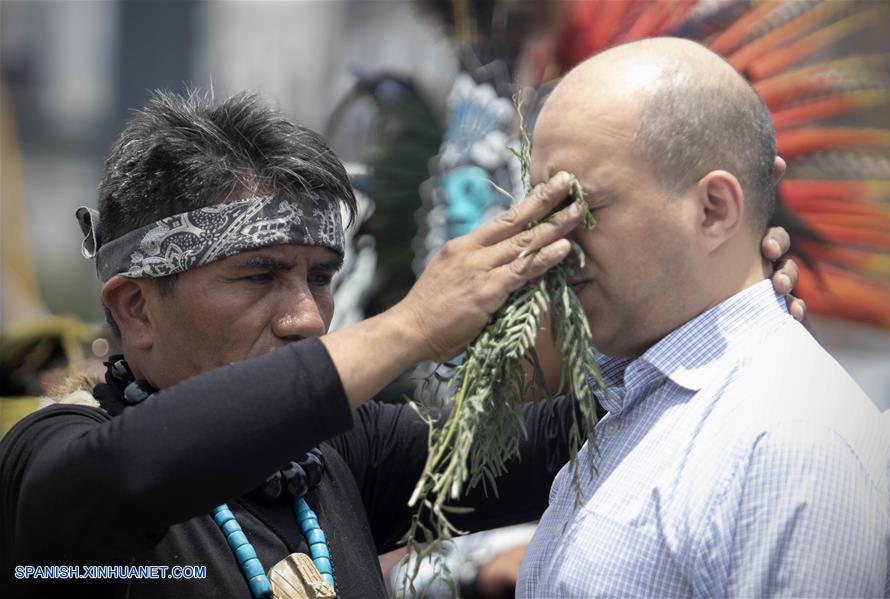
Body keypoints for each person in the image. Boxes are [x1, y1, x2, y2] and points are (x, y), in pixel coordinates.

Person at [1, 90, 798, 599]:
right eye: (259, 277)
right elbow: (133, 473)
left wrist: (706, 304)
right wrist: (414, 324)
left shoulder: (334, 455)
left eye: (320, 278)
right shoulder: (52, 468)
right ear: (136, 308)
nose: (306, 316)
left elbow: (573, 437)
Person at [516, 37, 890, 598]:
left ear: (715, 210)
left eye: (582, 208)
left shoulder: (788, 442)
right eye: (543, 212)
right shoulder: (635, 401)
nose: (550, 246)